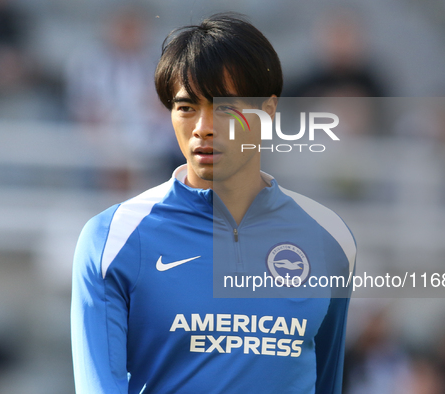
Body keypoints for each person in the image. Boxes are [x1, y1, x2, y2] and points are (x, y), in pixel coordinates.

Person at [71, 13, 356, 393]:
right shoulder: (112, 239)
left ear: (267, 112)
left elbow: (327, 382)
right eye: (186, 107)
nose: (203, 126)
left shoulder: (330, 239)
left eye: (224, 107)